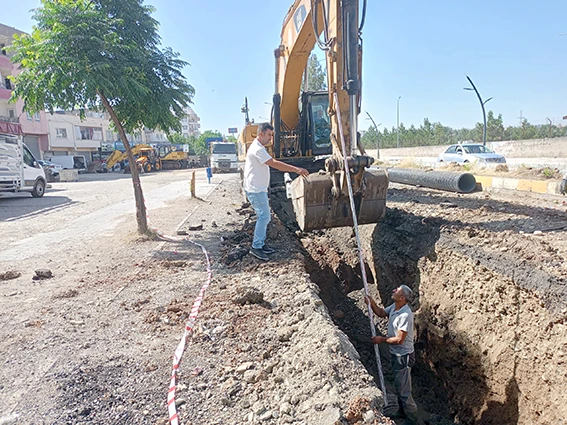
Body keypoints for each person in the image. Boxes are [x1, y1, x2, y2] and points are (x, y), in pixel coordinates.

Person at [243, 122, 309, 261]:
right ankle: (256, 247)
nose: (270, 138)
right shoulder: (257, 149)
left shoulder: (259, 147)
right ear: (261, 134)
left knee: (265, 217)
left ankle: (260, 244)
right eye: (269, 135)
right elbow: (274, 164)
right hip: (255, 190)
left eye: (271, 135)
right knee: (264, 217)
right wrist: (296, 169)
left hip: (258, 189)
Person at [367, 285, 420, 425]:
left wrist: (381, 340)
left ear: (402, 298)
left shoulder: (405, 315)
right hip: (396, 354)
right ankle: (402, 412)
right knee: (399, 386)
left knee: (404, 391)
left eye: (397, 290)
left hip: (403, 356)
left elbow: (399, 339)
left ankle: (412, 420)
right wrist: (371, 302)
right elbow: (380, 312)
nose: (393, 290)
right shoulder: (395, 307)